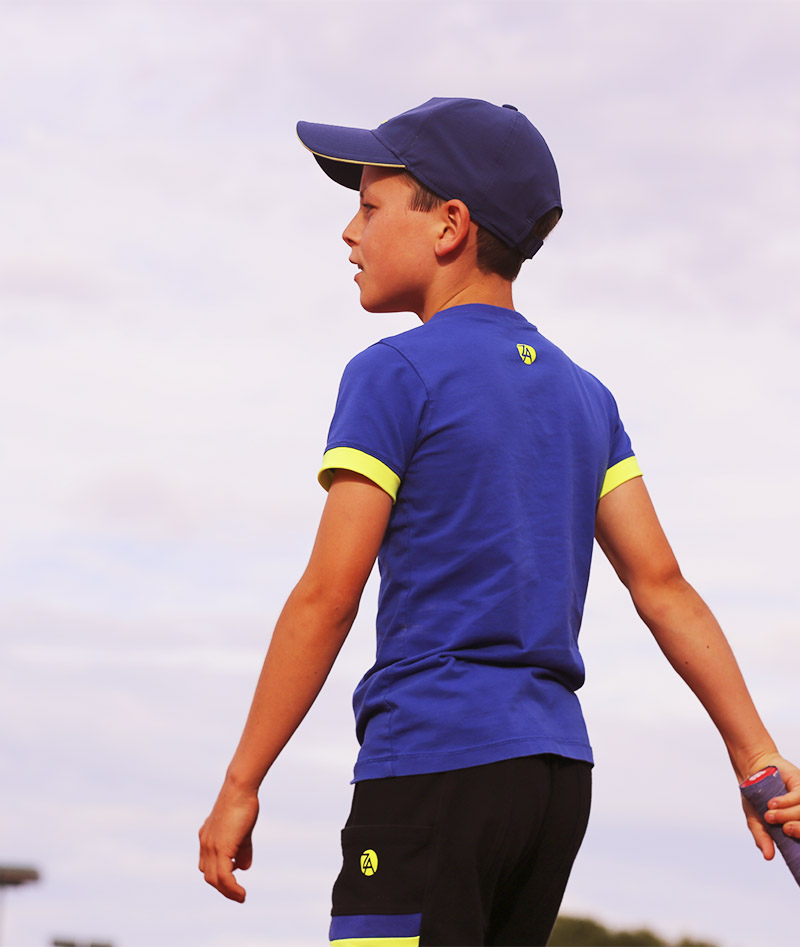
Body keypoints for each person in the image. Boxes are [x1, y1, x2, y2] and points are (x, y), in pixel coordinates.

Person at [198, 97, 800, 946]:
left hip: (436, 761)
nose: (349, 231)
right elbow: (662, 585)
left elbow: (327, 595)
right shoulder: (586, 397)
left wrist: (241, 780)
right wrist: (757, 756)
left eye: (370, 207)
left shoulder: (393, 373)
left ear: (449, 226)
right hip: (554, 782)